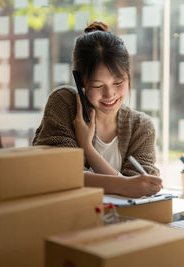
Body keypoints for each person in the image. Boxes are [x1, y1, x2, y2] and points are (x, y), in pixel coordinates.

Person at [33, 21, 162, 198]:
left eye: (118, 83)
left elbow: (140, 188)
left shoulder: (142, 127)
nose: (109, 94)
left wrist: (88, 148)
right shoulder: (64, 104)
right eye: (97, 85)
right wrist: (125, 185)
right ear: (80, 82)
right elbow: (59, 174)